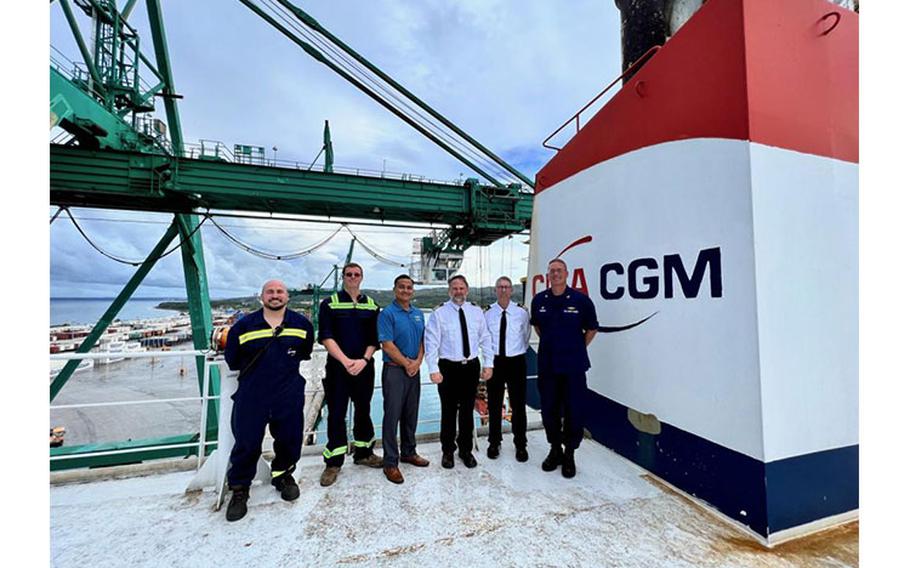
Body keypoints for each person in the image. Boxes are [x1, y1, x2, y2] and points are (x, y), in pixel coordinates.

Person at [223, 279, 315, 521]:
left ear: (287, 296)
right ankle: (240, 489)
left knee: (290, 437)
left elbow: (304, 352)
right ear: (262, 296)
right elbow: (232, 359)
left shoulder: (302, 324)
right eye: (270, 292)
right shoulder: (243, 327)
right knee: (247, 441)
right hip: (253, 394)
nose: (275, 295)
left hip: (288, 392)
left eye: (280, 292)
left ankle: (283, 476)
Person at [530, 259, 598, 478]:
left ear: (567, 274)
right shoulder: (539, 300)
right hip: (548, 366)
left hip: (573, 367)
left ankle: (569, 454)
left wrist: (576, 347)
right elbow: (538, 327)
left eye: (559, 271)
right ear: (548, 275)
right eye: (552, 271)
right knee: (549, 409)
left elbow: (591, 329)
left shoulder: (581, 301)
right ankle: (555, 449)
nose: (556, 274)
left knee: (573, 410)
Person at [317, 262, 383, 487]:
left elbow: (375, 339)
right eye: (349, 274)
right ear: (343, 277)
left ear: (362, 278)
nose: (353, 277)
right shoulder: (329, 304)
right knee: (336, 413)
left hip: (364, 367)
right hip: (338, 368)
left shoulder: (372, 305)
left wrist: (364, 360)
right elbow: (326, 336)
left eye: (356, 274)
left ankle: (364, 453)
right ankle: (333, 462)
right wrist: (346, 361)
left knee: (363, 410)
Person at [425, 275, 494, 469]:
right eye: (454, 288)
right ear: (449, 291)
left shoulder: (476, 312)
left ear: (467, 290)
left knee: (466, 411)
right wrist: (433, 369)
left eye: (461, 288)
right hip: (448, 368)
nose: (458, 292)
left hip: (470, 367)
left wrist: (488, 364)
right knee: (448, 411)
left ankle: (466, 450)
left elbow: (485, 339)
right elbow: (431, 343)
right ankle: (448, 451)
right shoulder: (439, 313)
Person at [377, 274, 430, 483]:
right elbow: (387, 344)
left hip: (414, 370)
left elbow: (422, 340)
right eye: (402, 287)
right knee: (392, 416)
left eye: (409, 288)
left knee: (411, 413)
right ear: (394, 289)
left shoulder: (418, 314)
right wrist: (407, 364)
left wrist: (417, 361)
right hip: (394, 371)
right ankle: (390, 462)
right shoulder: (387, 314)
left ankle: (409, 451)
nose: (406, 291)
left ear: (413, 291)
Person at [483, 276, 531, 462]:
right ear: (496, 290)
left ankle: (520, 444)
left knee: (518, 405)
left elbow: (526, 336)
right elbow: (484, 339)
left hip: (516, 361)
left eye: (507, 287)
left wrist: (516, 352)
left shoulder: (521, 312)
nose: (503, 290)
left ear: (511, 290)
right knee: (494, 405)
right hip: (495, 362)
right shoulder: (488, 313)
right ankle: (494, 442)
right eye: (500, 287)